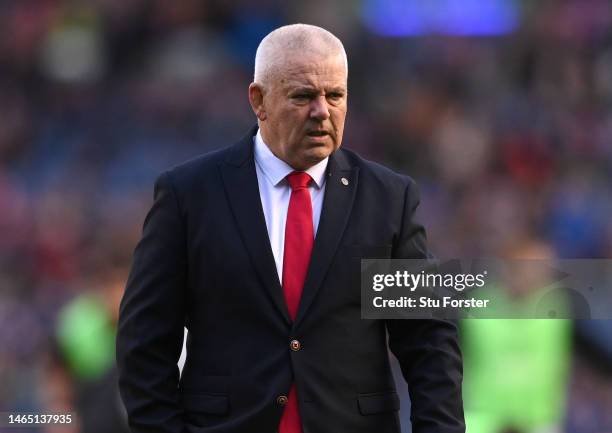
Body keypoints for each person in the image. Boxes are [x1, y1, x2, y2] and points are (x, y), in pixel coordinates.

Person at [116, 23, 464, 433]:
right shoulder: (189, 195)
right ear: (258, 100)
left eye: (335, 96)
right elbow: (145, 342)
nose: (322, 111)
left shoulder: (388, 198)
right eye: (303, 96)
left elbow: (429, 339)